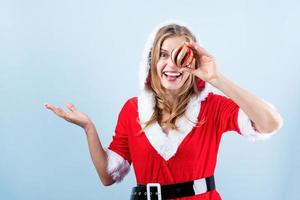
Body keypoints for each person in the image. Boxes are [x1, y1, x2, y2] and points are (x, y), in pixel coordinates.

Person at [44, 21, 283, 200]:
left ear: (193, 62)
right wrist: (89, 128)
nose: (171, 65)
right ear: (152, 62)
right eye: (164, 55)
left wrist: (216, 78)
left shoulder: (213, 107)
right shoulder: (132, 109)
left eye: (181, 56)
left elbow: (270, 123)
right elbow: (107, 176)